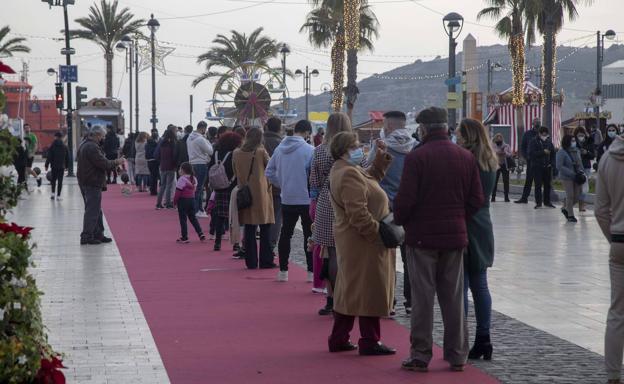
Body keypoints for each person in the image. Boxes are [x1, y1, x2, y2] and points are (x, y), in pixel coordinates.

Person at [395, 107, 484, 373]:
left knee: (423, 299)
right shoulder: (465, 157)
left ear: (423, 128)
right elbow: (476, 200)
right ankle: (457, 355)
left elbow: (405, 201)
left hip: (421, 239)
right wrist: (458, 218)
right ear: (445, 127)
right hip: (455, 239)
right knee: (454, 299)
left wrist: (403, 219)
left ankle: (421, 355)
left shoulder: (417, 158)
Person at [326, 131, 396, 356]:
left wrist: (380, 159)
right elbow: (358, 213)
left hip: (356, 241)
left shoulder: (347, 170)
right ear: (345, 149)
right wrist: (379, 236)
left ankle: (339, 337)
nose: (360, 149)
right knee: (369, 290)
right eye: (356, 146)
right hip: (364, 242)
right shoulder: (347, 174)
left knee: (352, 290)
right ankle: (370, 340)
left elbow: (370, 178)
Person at [367, 110, 418, 314]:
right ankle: (411, 301)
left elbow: (368, 170)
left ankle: (389, 300)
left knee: (385, 255)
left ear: (388, 126)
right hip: (410, 207)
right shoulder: (416, 147)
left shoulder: (382, 146)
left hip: (385, 206)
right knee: (409, 258)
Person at [457, 118, 498, 361]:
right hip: (483, 225)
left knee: (459, 285)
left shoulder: (465, 159)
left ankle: (460, 337)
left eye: (460, 134)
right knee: (480, 284)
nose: (457, 138)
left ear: (468, 135)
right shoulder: (490, 160)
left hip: (464, 223)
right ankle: (484, 337)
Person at [309, 112, 353, 315]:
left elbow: (314, 182)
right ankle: (348, 296)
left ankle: (331, 297)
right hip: (349, 200)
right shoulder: (353, 151)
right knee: (349, 251)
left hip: (326, 201)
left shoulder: (319, 151)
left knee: (329, 252)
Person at [266, 120, 315, 282]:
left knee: (285, 234)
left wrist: (282, 183)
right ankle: (310, 272)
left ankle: (283, 271)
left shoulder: (280, 149)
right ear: (307, 132)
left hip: (287, 197)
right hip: (306, 199)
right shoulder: (309, 150)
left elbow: (269, 171)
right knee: (309, 235)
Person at [594, 133, 624, 384]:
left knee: (617, 312)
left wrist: (613, 236)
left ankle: (613, 374)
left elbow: (600, 210)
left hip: (619, 243)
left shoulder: (607, 158)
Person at [233, 128, 275, 269]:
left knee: (249, 229)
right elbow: (271, 168)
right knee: (265, 228)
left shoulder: (237, 153)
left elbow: (235, 172)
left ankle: (250, 261)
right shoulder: (260, 151)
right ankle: (265, 260)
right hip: (261, 193)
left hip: (245, 193)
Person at [77, 125, 124, 245]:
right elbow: (104, 164)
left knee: (96, 210)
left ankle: (98, 233)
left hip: (86, 180)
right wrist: (117, 162)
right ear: (97, 135)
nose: (103, 138)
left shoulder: (84, 144)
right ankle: (87, 236)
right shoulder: (92, 147)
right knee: (92, 210)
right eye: (102, 136)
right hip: (91, 181)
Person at [208, 132, 242, 251]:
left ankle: (217, 243)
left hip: (219, 187)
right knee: (234, 216)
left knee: (219, 215)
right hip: (232, 186)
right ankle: (236, 243)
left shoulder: (216, 153)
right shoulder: (234, 154)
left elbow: (210, 167)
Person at [263, 117, 284, 256]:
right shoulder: (281, 144)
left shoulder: (259, 142)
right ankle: (270, 246)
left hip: (260, 185)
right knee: (276, 217)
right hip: (277, 186)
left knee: (260, 216)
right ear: (279, 128)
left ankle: (248, 245)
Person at [173, 162, 206, 243]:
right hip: (192, 200)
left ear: (183, 170)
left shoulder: (181, 179)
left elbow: (178, 192)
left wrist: (174, 202)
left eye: (180, 169)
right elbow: (194, 190)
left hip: (183, 201)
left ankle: (185, 237)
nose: (179, 170)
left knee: (183, 219)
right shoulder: (194, 179)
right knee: (193, 218)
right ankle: (200, 233)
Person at [556, 134, 584, 223]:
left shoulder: (577, 150)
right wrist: (571, 173)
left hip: (577, 176)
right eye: (572, 141)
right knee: (570, 195)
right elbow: (559, 166)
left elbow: (580, 163)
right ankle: (570, 215)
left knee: (577, 195)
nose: (574, 142)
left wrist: (582, 172)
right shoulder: (561, 152)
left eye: (574, 140)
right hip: (567, 177)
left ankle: (565, 208)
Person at [187, 121, 214, 216]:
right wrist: (208, 141)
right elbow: (210, 151)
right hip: (201, 163)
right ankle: (197, 210)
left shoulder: (189, 137)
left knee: (195, 187)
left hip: (192, 163)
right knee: (200, 187)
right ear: (203, 128)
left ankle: (196, 209)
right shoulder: (200, 139)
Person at [528, 126, 556, 209]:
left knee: (547, 185)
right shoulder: (533, 141)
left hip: (547, 167)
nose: (544, 136)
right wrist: (543, 152)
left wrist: (552, 163)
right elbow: (531, 154)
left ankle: (547, 202)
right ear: (539, 134)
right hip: (537, 167)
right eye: (543, 134)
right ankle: (538, 202)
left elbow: (553, 154)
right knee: (538, 185)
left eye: (546, 134)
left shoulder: (549, 142)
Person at [515, 118, 541, 204]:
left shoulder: (542, 134)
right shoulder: (527, 134)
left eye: (538, 123)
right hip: (530, 161)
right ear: (532, 124)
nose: (537, 124)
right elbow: (523, 146)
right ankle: (524, 198)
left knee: (538, 182)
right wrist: (526, 157)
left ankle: (539, 200)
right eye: (535, 123)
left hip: (540, 161)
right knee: (528, 180)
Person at [573, 126, 595, 212]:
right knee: (577, 187)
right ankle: (572, 202)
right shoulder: (573, 142)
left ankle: (581, 203)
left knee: (585, 187)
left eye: (582, 135)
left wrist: (586, 152)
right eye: (579, 135)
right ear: (576, 135)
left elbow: (593, 155)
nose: (581, 137)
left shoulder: (589, 142)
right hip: (576, 167)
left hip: (586, 166)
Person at [155, 129, 177, 209]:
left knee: (162, 185)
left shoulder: (161, 143)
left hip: (162, 166)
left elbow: (156, 155)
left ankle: (158, 203)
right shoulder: (173, 144)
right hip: (171, 166)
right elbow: (174, 155)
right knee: (169, 186)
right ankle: (168, 203)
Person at [44, 131, 69, 201]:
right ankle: (58, 196)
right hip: (61, 166)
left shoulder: (52, 146)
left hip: (54, 166)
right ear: (61, 137)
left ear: (56, 137)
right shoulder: (64, 146)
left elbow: (49, 156)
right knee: (60, 181)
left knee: (53, 180)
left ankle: (52, 194)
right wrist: (67, 166)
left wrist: (46, 165)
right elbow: (67, 157)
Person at [491, 133, 512, 202]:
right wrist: (497, 152)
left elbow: (510, 154)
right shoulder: (493, 145)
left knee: (506, 181)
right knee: (495, 181)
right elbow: (491, 153)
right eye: (498, 138)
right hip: (496, 165)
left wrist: (505, 152)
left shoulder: (506, 146)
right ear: (495, 138)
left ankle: (506, 197)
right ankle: (493, 197)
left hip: (504, 165)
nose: (499, 139)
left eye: (500, 138)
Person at [23, 123, 42, 188]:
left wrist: (32, 153)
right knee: (24, 169)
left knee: (28, 169)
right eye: (25, 128)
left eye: (28, 128)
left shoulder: (32, 136)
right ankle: (25, 182)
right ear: (23, 129)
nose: (27, 129)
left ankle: (38, 178)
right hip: (23, 155)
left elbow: (35, 145)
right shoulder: (22, 136)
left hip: (30, 154)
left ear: (30, 128)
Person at [146, 129, 160, 195]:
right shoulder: (156, 144)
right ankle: (154, 190)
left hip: (149, 160)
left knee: (152, 175)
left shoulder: (147, 143)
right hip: (155, 160)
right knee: (155, 176)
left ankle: (152, 190)